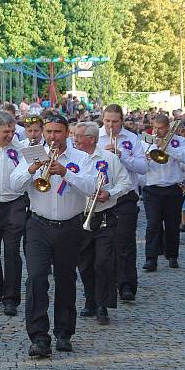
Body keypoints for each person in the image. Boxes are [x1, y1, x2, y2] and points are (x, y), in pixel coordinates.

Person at [9, 114, 96, 357]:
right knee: (36, 278)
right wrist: (32, 169)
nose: (52, 137)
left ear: (67, 133)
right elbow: (13, 185)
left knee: (66, 279)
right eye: (49, 132)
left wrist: (66, 173)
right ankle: (38, 336)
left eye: (57, 132)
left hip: (70, 226)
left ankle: (64, 333)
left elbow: (91, 187)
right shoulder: (32, 153)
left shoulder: (81, 158)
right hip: (38, 225)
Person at [74, 122, 132, 326]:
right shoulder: (74, 158)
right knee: (85, 262)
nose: (75, 139)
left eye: (79, 136)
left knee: (104, 262)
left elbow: (126, 183)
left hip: (105, 216)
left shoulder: (109, 158)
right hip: (80, 216)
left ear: (91, 138)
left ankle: (102, 305)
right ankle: (90, 299)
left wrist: (110, 194)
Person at [99, 104, 146, 301]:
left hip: (126, 195)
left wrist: (122, 156)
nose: (111, 125)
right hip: (103, 194)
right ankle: (106, 285)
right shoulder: (96, 137)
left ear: (122, 121)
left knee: (125, 240)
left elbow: (143, 167)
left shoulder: (132, 139)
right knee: (104, 243)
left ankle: (126, 285)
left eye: (115, 122)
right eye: (107, 121)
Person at [0, 111, 27, 316]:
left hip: (14, 203)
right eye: (5, 132)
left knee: (11, 251)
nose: (10, 135)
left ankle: (11, 298)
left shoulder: (21, 149)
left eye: (12, 131)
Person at [141, 115, 185, 271]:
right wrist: (148, 156)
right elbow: (139, 161)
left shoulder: (179, 141)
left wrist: (167, 147)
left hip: (172, 188)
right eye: (155, 127)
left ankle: (172, 255)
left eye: (161, 128)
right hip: (152, 188)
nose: (157, 131)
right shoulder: (146, 139)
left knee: (172, 224)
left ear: (168, 127)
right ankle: (151, 259)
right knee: (153, 224)